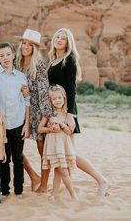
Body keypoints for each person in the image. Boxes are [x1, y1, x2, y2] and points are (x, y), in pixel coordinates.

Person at [48, 28, 109, 197]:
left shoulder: (69, 60)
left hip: (66, 112)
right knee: (63, 154)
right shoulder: (53, 60)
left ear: (68, 43)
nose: (59, 39)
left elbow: (71, 90)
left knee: (70, 154)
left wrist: (70, 115)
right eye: (57, 36)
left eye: (63, 38)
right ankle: (59, 190)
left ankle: (102, 180)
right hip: (56, 112)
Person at [0, 42, 30, 197]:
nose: (5, 58)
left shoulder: (21, 77)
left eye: (8, 54)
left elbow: (26, 101)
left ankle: (19, 191)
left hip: (18, 123)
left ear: (13, 55)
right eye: (1, 55)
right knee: (3, 159)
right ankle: (5, 191)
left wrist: (27, 125)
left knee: (18, 159)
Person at [16, 29, 54, 192]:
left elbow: (44, 93)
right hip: (19, 111)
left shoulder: (39, 66)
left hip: (38, 113)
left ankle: (44, 185)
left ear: (35, 48)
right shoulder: (16, 63)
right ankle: (33, 176)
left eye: (30, 45)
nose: (26, 47)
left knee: (42, 150)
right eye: (24, 43)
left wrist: (47, 118)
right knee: (13, 147)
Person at [39, 85, 77, 200]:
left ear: (64, 98)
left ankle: (72, 194)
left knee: (63, 172)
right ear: (50, 100)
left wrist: (61, 125)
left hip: (63, 147)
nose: (57, 101)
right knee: (57, 170)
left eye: (59, 98)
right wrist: (50, 129)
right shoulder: (49, 115)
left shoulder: (67, 114)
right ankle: (54, 194)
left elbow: (70, 131)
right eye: (54, 99)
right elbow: (39, 129)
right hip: (53, 147)